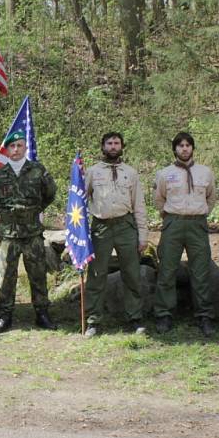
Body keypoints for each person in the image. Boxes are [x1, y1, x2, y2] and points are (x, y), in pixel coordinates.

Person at [0, 131, 57, 333]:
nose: (16, 149)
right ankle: (5, 316)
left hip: (32, 235)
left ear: (25, 148)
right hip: (8, 236)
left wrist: (34, 210)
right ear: (7, 149)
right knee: (6, 278)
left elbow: (50, 194)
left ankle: (42, 314)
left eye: (20, 146)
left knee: (38, 276)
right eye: (12, 146)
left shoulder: (38, 170)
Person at [83, 132, 148, 337]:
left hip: (125, 225)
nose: (113, 146)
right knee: (96, 274)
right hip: (100, 227)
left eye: (116, 143)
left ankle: (135, 317)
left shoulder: (130, 173)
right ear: (102, 146)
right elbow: (79, 202)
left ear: (122, 146)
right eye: (109, 143)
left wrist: (143, 234)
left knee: (132, 273)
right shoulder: (92, 172)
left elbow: (139, 204)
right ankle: (93, 320)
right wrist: (79, 233)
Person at [153, 132, 217, 336]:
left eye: (188, 145)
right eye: (180, 145)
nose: (184, 148)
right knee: (167, 269)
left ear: (193, 148)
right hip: (173, 222)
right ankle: (164, 314)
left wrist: (200, 213)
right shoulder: (165, 174)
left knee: (201, 270)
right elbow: (159, 199)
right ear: (175, 149)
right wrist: (169, 216)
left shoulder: (205, 173)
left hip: (197, 224)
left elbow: (211, 198)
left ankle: (204, 315)